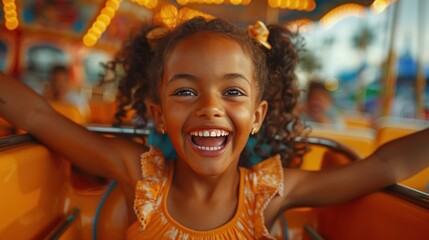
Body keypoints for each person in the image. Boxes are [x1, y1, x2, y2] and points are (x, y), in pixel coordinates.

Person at [1, 16, 428, 239]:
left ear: (257, 116)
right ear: (158, 115)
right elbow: (39, 117)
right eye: (186, 93)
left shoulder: (271, 192)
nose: (210, 108)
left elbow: (383, 167)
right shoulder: (141, 177)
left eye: (233, 93)